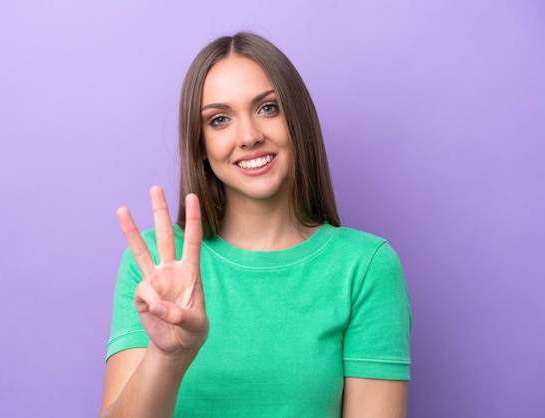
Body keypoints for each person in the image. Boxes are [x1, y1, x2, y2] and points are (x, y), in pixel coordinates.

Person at [100, 32, 412, 418]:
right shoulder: (154, 268)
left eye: (267, 109)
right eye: (219, 120)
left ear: (296, 118)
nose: (248, 136)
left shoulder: (364, 267)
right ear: (200, 144)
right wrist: (167, 356)